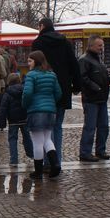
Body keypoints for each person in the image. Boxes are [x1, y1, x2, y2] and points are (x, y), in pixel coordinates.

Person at [31, 17, 81, 165]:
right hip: (63, 88)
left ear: (41, 26)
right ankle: (56, 160)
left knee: (45, 128)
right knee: (57, 126)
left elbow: (34, 66)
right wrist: (77, 86)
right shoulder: (65, 42)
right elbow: (74, 64)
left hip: (43, 89)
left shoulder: (37, 43)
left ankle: (48, 161)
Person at [22, 51, 62, 179]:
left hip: (36, 111)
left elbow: (27, 93)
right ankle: (55, 164)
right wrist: (51, 103)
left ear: (36, 61)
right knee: (47, 139)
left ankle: (38, 171)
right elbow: (58, 93)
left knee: (37, 141)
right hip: (50, 111)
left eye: (30, 61)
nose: (28, 64)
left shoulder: (31, 75)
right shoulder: (52, 74)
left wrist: (25, 104)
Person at [78, 36, 110, 162]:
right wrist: (96, 87)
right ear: (91, 45)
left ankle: (100, 150)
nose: (101, 48)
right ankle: (85, 152)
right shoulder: (84, 60)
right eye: (99, 45)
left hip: (102, 98)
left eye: (102, 45)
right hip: (91, 99)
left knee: (104, 126)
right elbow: (83, 78)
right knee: (90, 127)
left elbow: (102, 75)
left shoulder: (98, 59)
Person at [0, 73, 33, 166]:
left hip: (13, 121)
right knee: (27, 137)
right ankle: (31, 154)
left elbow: (3, 109)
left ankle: (14, 160)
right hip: (24, 118)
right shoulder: (24, 90)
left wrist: (2, 124)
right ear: (19, 80)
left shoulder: (7, 93)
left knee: (12, 139)